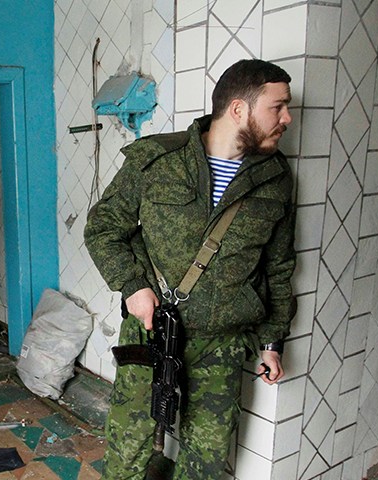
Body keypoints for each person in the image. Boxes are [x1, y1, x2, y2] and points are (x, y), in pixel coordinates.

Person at [83, 58, 297, 480]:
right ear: (238, 109)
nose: (287, 119)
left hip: (223, 342)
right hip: (151, 330)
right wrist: (132, 286)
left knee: (208, 461)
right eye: (278, 107)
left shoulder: (275, 177)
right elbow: (103, 228)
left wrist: (272, 339)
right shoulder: (157, 160)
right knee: (129, 449)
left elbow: (278, 265)